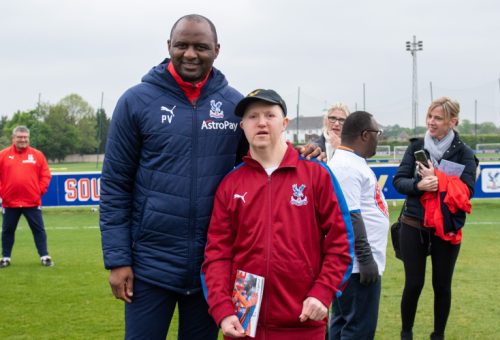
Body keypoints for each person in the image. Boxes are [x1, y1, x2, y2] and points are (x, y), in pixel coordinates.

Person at [99, 15, 322, 340]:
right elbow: (116, 185)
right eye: (182, 45)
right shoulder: (136, 101)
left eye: (200, 47)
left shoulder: (233, 104)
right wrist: (118, 260)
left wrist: (301, 153)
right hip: (150, 265)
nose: (190, 54)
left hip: (213, 269)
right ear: (168, 47)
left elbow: (262, 162)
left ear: (216, 50)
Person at [201, 89, 354, 340]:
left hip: (303, 321)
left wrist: (323, 292)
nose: (261, 122)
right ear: (243, 125)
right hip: (243, 325)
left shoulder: (317, 175)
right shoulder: (231, 184)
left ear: (284, 123)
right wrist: (222, 309)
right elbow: (217, 254)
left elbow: (342, 241)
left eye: (269, 115)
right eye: (252, 116)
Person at [392, 97, 477, 340]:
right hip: (413, 224)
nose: (431, 122)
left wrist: (439, 181)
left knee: (442, 286)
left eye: (438, 118)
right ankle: (406, 333)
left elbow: (468, 191)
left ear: (453, 122)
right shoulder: (416, 146)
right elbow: (399, 181)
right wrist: (419, 185)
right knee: (414, 284)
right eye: (430, 116)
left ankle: (437, 335)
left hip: (447, 227)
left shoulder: (464, 153)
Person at [328, 111, 389, 339]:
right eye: (377, 133)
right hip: (355, 267)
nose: (378, 139)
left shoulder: (353, 162)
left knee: (344, 324)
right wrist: (365, 259)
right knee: (357, 329)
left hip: (357, 264)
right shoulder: (345, 166)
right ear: (365, 134)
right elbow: (350, 215)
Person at [0, 126, 53, 269]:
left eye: (25, 137)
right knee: (7, 231)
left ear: (28, 138)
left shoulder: (37, 155)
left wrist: (39, 191)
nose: (23, 140)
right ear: (14, 138)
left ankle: (45, 256)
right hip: (10, 203)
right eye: (20, 137)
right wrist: (2, 192)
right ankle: (5, 258)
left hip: (32, 202)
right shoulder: (3, 155)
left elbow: (45, 175)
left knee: (39, 230)